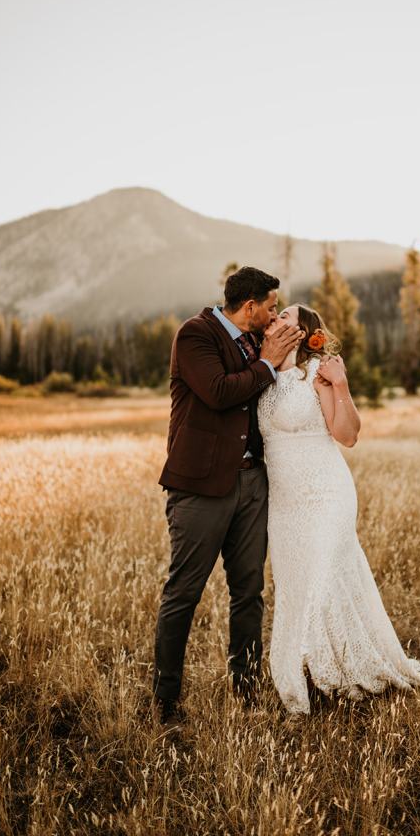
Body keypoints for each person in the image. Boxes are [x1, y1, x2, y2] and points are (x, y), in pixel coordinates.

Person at [258, 303, 420, 715]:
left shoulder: (316, 375)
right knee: (297, 585)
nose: (278, 315)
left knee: (323, 575)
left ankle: (327, 670)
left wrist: (340, 385)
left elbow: (348, 435)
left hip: (326, 492)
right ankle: (307, 667)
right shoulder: (262, 371)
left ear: (303, 331)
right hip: (285, 502)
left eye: (286, 314)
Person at [153, 267, 303, 726]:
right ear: (250, 306)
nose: (275, 314)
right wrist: (266, 363)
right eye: (272, 306)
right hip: (200, 487)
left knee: (249, 592)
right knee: (184, 592)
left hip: (252, 484)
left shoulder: (259, 344)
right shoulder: (194, 335)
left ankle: (247, 690)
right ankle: (167, 702)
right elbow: (219, 393)